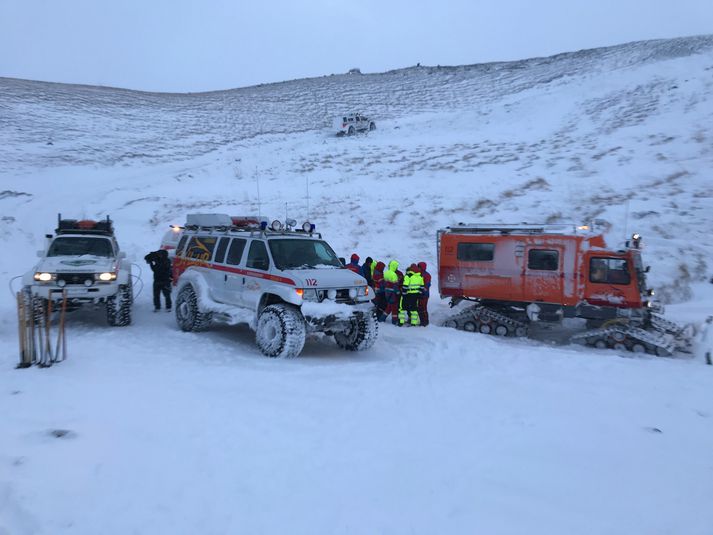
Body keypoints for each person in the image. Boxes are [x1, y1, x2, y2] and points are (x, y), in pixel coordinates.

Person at [383, 260, 402, 325]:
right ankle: (394, 322)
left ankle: (382, 319)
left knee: (389, 307)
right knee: (394, 308)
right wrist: (398, 292)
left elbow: (384, 283)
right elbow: (395, 285)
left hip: (386, 292)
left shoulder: (385, 273)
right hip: (393, 293)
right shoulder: (394, 274)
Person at [417, 261, 431, 326]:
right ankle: (422, 321)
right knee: (419, 308)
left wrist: (423, 291)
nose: (418, 268)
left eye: (419, 267)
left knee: (423, 308)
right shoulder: (418, 274)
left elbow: (427, 285)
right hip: (419, 294)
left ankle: (425, 322)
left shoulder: (427, 275)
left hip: (424, 295)